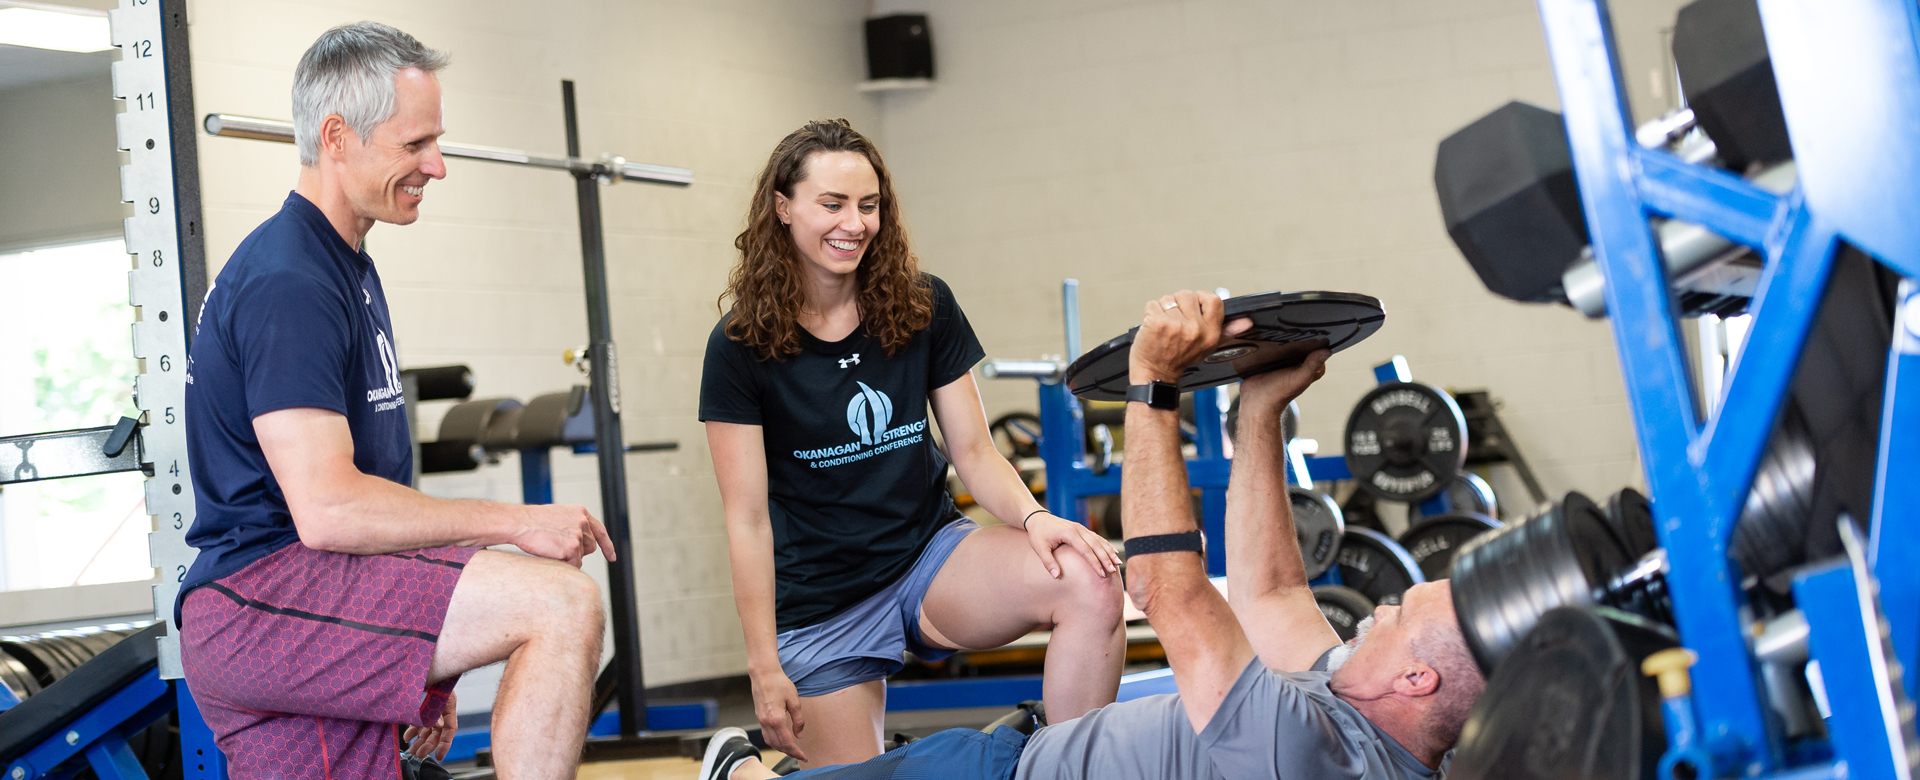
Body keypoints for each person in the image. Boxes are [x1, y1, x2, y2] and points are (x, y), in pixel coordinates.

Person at [699, 290, 1488, 780]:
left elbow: (1169, 590)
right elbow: (1275, 588)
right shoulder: (1361, 717)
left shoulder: (1308, 752)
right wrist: (1260, 411)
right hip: (1023, 750)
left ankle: (732, 770)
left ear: (1416, 682)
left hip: (1000, 773)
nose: (1372, 615)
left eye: (1396, 618)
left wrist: (1152, 384)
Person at [176, 23, 614, 780]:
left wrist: (426, 649)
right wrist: (516, 525)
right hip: (264, 599)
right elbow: (330, 509)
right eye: (415, 145)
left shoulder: (345, 265)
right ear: (337, 136)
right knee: (562, 604)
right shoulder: (291, 281)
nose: (436, 167)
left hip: (302, 597)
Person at [700, 119, 1126, 767]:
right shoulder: (739, 345)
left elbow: (975, 452)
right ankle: (743, 769)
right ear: (783, 209)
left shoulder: (923, 305)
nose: (854, 223)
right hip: (822, 601)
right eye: (833, 204)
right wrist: (763, 664)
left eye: (868, 206)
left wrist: (1037, 519)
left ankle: (1070, 766)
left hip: (929, 560)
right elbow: (747, 518)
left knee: (1088, 582)